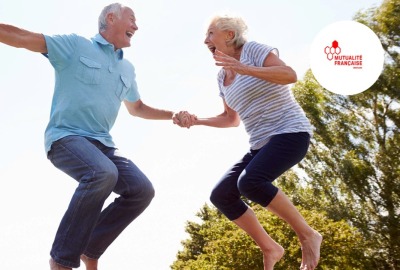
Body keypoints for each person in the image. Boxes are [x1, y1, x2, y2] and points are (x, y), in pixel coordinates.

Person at [0, 3, 188, 270]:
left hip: (103, 145)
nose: (136, 26)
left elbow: (138, 108)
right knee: (103, 173)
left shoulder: (127, 69)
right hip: (66, 138)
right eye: (132, 19)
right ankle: (62, 259)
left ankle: (91, 247)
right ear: (110, 18)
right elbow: (23, 38)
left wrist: (172, 114)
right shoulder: (75, 46)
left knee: (141, 190)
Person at [174, 14, 323, 270]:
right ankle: (270, 248)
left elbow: (289, 75)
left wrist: (244, 68)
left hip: (290, 133)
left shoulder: (253, 50)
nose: (205, 41)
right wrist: (195, 120)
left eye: (210, 34)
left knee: (250, 182)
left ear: (229, 35)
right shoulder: (222, 77)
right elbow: (230, 119)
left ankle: (307, 234)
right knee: (222, 195)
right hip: (260, 144)